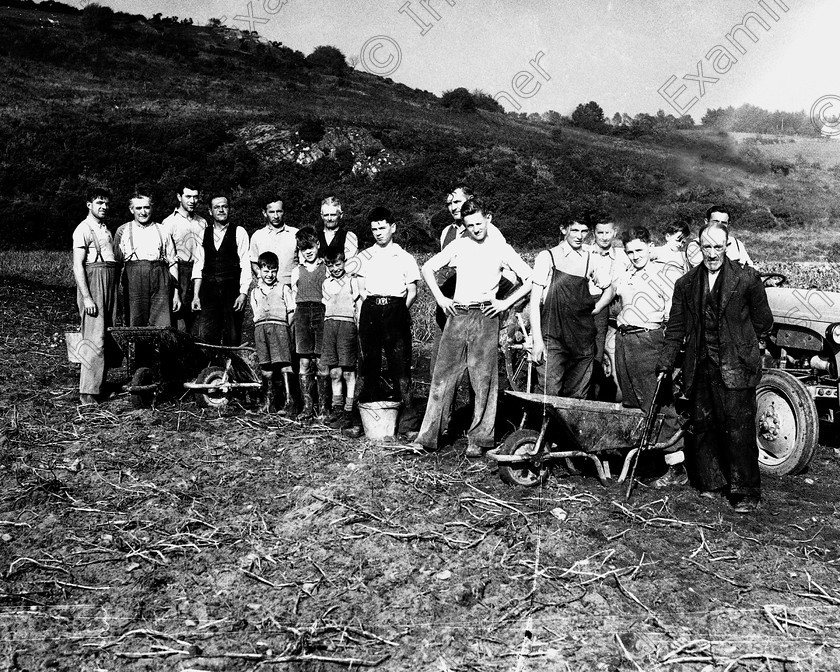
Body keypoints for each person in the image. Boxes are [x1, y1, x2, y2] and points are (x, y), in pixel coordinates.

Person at [656, 220, 773, 513]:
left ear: (727, 246)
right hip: (701, 365)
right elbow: (677, 327)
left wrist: (743, 345)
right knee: (704, 425)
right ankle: (712, 483)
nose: (712, 253)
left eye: (718, 247)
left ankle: (745, 491)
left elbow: (764, 322)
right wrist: (666, 362)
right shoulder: (685, 284)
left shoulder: (747, 279)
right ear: (698, 247)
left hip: (736, 366)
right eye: (706, 247)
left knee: (739, 428)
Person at [413, 198, 532, 457]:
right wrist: (441, 299)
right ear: (464, 226)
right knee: (442, 376)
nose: (476, 229)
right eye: (470, 225)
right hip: (458, 314)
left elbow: (530, 278)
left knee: (483, 379)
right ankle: (429, 437)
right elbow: (428, 267)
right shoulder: (460, 245)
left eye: (479, 223)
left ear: (488, 217)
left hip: (486, 316)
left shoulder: (501, 247)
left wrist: (504, 304)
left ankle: (479, 439)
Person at [601, 226, 687, 486]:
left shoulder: (663, 275)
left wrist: (671, 350)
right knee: (632, 400)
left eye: (639, 250)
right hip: (625, 340)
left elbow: (674, 316)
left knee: (658, 402)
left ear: (650, 247)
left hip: (649, 341)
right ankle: (648, 458)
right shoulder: (626, 275)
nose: (635, 255)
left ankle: (676, 468)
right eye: (630, 251)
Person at [351, 206, 421, 437]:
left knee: (400, 367)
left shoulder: (404, 257)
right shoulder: (364, 257)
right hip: (371, 310)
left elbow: (412, 292)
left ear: (393, 228)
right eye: (374, 229)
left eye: (382, 228)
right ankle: (360, 419)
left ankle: (407, 424)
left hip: (396, 310)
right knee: (366, 366)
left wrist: (397, 310)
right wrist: (374, 308)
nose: (378, 233)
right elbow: (361, 291)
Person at [529, 219, 609, 399]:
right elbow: (534, 302)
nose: (579, 236)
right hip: (553, 338)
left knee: (576, 397)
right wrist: (537, 341)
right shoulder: (547, 257)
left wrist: (597, 308)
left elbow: (609, 287)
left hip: (582, 341)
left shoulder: (591, 258)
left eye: (584, 231)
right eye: (574, 230)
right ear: (563, 229)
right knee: (548, 394)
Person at [71, 187, 119, 406]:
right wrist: (87, 298)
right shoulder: (83, 228)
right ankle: (87, 393)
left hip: (109, 281)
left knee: (108, 336)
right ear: (89, 205)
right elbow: (78, 266)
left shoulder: (106, 229)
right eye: (99, 203)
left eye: (106, 203)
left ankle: (100, 387)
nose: (104, 207)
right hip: (94, 283)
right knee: (93, 337)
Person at [190, 195, 250, 346]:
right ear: (210, 211)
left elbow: (245, 264)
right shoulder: (203, 233)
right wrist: (196, 296)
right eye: (217, 207)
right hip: (208, 292)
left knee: (232, 334)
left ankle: (229, 369)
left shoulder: (239, 232)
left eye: (224, 206)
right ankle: (212, 369)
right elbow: (198, 265)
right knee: (207, 335)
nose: (221, 210)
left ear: (229, 209)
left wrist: (243, 293)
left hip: (232, 290)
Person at [114, 191, 180, 327]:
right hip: (134, 280)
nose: (143, 212)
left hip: (160, 278)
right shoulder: (123, 230)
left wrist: (176, 293)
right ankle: (140, 349)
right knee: (136, 323)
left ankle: (160, 349)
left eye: (146, 207)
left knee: (162, 324)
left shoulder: (163, 230)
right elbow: (117, 264)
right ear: (131, 210)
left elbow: (173, 263)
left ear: (152, 208)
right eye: (138, 208)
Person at [584, 218, 627, 399]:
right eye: (600, 233)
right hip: (586, 304)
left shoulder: (622, 256)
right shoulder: (586, 252)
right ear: (594, 233)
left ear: (614, 233)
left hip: (610, 307)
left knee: (599, 351)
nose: (604, 237)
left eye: (607, 233)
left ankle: (596, 395)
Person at [289, 227, 329, 421]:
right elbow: (292, 297)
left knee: (322, 362)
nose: (308, 251)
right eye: (303, 248)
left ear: (318, 245)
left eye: (311, 246)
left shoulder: (326, 268)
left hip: (321, 313)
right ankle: (307, 406)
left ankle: (323, 407)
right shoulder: (296, 271)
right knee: (304, 361)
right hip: (302, 314)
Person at [321, 248, 361, 429]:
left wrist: (358, 326)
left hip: (347, 326)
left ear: (344, 262)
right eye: (331, 265)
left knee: (347, 371)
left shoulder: (352, 281)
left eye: (338, 264)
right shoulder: (326, 283)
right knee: (334, 372)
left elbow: (359, 306)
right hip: (330, 326)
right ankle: (337, 409)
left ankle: (349, 410)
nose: (335, 269)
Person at [250, 252, 295, 414]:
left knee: (284, 364)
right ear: (259, 271)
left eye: (273, 271)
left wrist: (285, 330)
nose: (270, 275)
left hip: (280, 329)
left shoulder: (283, 289)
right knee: (266, 367)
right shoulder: (255, 292)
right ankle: (269, 403)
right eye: (266, 271)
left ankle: (289, 402)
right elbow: (256, 314)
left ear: (277, 271)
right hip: (261, 331)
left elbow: (291, 312)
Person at [161, 180, 207, 335]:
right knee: (179, 323)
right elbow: (167, 258)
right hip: (178, 274)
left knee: (198, 322)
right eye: (188, 196)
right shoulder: (169, 223)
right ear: (179, 197)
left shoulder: (203, 222)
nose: (192, 201)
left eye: (195, 197)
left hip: (199, 274)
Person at [250, 197, 299, 287]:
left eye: (279, 211)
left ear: (284, 212)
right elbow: (254, 263)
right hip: (267, 287)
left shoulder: (295, 234)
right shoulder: (257, 236)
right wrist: (262, 278)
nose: (276, 216)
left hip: (292, 286)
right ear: (264, 213)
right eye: (271, 212)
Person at [685, 206, 753, 269]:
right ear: (706, 222)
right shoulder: (695, 245)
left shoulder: (736, 244)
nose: (719, 226)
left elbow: (750, 268)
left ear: (728, 224)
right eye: (715, 222)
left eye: (723, 223)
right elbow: (706, 272)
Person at [317, 196, 358, 260]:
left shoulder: (349, 237)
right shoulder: (315, 236)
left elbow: (350, 263)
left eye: (333, 215)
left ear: (341, 215)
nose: (329, 219)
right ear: (321, 216)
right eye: (326, 215)